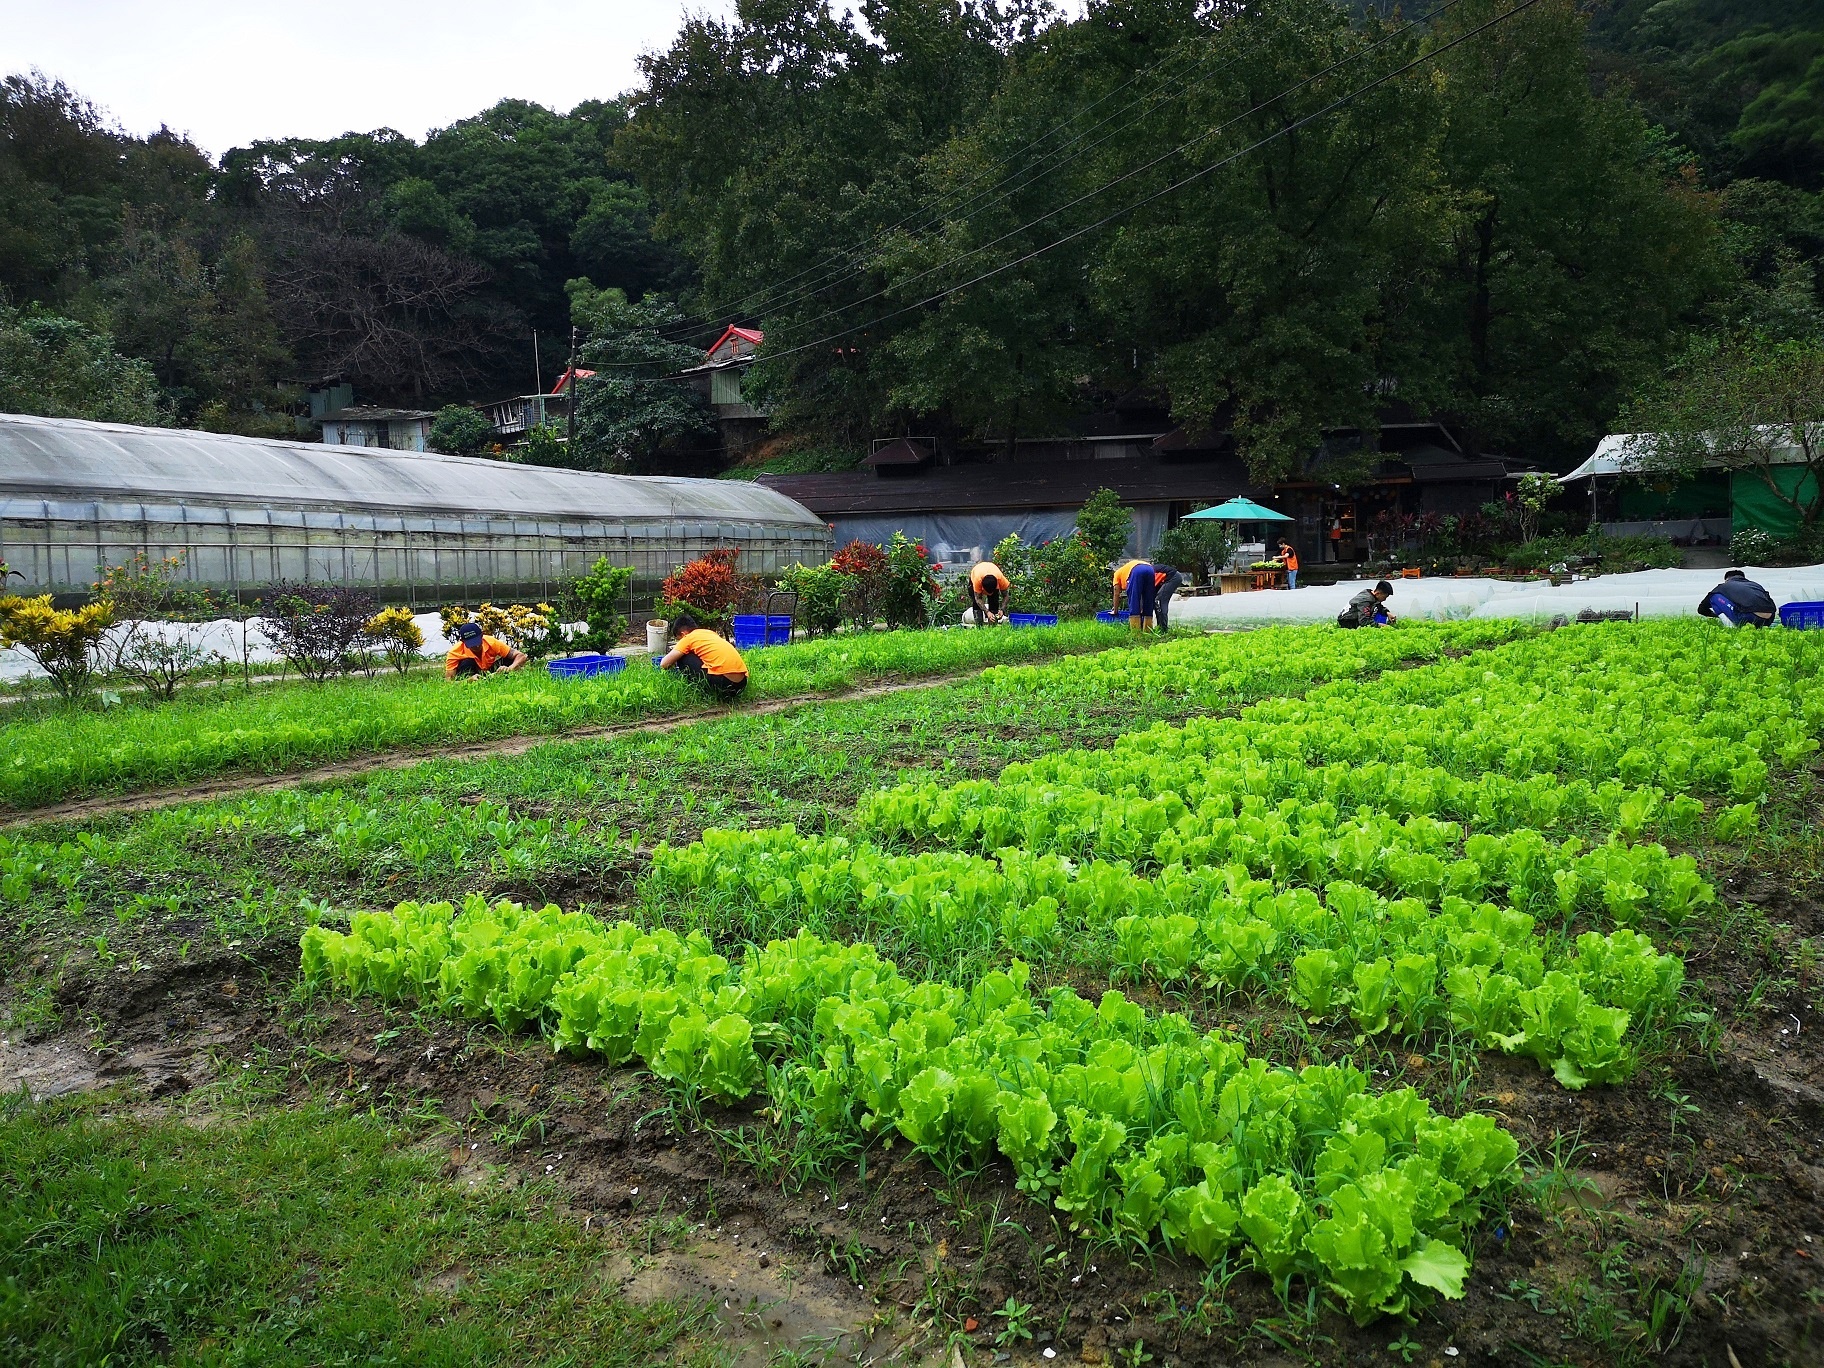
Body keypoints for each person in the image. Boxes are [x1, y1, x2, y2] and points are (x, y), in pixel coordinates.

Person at [658, 610, 749, 699]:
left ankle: (704, 693)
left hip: (725, 684)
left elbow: (664, 664)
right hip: (741, 684)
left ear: (683, 633)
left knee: (682, 658)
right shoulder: (710, 633)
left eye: (679, 639)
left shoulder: (688, 638)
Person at [445, 620, 528, 679]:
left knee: (509, 660)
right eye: (472, 644)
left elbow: (521, 656)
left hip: (490, 671)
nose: (477, 646)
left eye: (478, 642)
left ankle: (503, 676)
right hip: (471, 675)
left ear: (482, 636)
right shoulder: (454, 652)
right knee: (467, 663)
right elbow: (448, 682)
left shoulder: (491, 642)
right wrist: (468, 681)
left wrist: (509, 668)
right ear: (463, 642)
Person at [1698, 568, 1776, 627]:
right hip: (1769, 620)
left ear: (1727, 579)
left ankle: (1731, 627)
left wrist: (1716, 615)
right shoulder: (1755, 585)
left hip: (1749, 618)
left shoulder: (1723, 586)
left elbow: (1702, 609)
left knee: (1714, 596)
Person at [1113, 558, 1158, 632]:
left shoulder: (1116, 574)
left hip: (1136, 570)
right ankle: (1148, 631)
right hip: (1150, 569)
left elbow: (1116, 593)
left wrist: (1115, 610)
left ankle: (1135, 632)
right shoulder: (1125, 570)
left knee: (1134, 599)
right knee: (1148, 599)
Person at [967, 560, 1011, 625]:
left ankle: (993, 625)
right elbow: (978, 599)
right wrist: (987, 612)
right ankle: (979, 625)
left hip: (992, 571)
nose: (989, 594)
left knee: (994, 602)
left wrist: (1002, 610)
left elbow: (1006, 596)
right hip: (977, 571)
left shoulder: (1000, 579)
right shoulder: (977, 580)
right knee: (976, 603)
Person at [1153, 563, 1184, 631]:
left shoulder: (1149, 573)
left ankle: (1163, 628)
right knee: (1157, 601)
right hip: (1166, 578)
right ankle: (1160, 626)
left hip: (1173, 577)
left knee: (1159, 600)